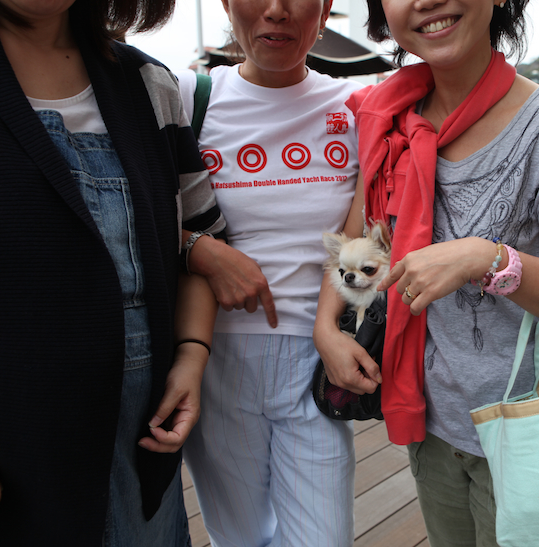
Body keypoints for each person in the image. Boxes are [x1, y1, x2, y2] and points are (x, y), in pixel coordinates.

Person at [313, 0, 539, 544]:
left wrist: (485, 258)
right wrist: (325, 328)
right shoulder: (387, 122)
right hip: (430, 420)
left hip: (530, 429)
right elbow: (356, 235)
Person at [0, 0, 225, 544]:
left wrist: (191, 356)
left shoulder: (148, 83)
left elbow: (199, 232)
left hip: (146, 449)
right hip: (11, 452)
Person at [175, 0, 363, 545]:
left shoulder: (355, 107)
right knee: (240, 537)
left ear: (325, 10)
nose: (277, 11)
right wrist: (200, 249)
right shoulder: (188, 97)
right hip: (212, 359)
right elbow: (126, 207)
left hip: (317, 361)